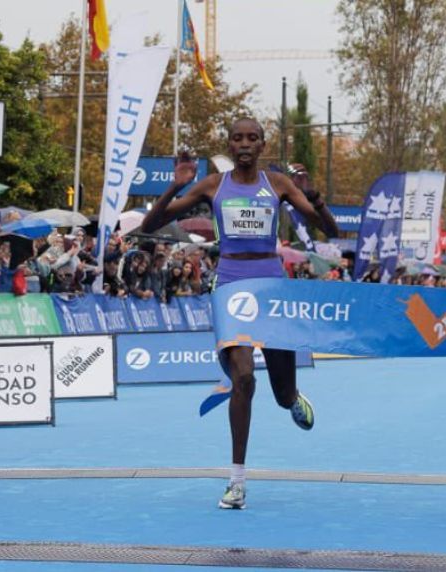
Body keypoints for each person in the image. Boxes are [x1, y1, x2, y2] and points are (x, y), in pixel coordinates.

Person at [140, 118, 339, 510]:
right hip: (231, 285)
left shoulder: (278, 184)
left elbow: (329, 230)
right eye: (237, 138)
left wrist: (314, 198)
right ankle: (237, 482)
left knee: (281, 394)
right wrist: (176, 185)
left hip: (271, 286)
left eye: (252, 138)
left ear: (263, 145)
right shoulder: (213, 185)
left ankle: (293, 398)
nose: (244, 144)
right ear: (229, 145)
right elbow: (150, 225)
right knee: (244, 378)